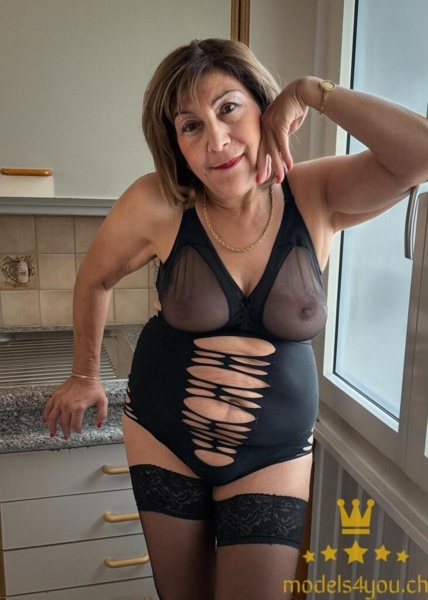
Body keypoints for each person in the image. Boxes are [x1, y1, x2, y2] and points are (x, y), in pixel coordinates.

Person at [44, 38, 428, 600]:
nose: (217, 141)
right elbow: (94, 278)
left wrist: (313, 92)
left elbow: (419, 153)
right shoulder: (157, 202)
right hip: (163, 437)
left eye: (228, 108)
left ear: (264, 108)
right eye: (190, 126)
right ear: (175, 143)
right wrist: (84, 374)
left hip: (274, 454)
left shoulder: (315, 193)